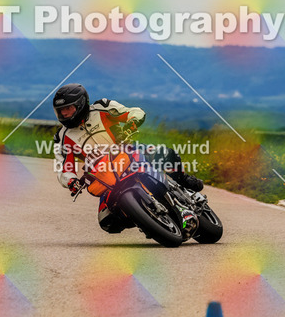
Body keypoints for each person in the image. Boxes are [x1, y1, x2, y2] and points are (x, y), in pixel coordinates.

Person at [52, 83, 204, 233]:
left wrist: (132, 123)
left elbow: (134, 112)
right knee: (108, 222)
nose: (64, 114)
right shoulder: (62, 137)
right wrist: (71, 181)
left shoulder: (102, 107)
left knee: (164, 154)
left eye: (68, 108)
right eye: (60, 111)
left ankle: (183, 180)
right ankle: (146, 220)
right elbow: (65, 169)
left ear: (80, 104)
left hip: (129, 150)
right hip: (106, 174)